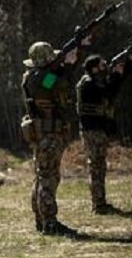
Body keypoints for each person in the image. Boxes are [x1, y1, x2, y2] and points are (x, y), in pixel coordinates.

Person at [20, 39, 88, 237]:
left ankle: (42, 219)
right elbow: (61, 85)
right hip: (48, 134)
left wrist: (72, 59)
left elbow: (58, 80)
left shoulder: (35, 76)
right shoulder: (40, 78)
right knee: (48, 178)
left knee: (43, 176)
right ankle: (49, 221)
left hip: (43, 133)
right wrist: (67, 65)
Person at [76, 52, 132, 214]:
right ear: (94, 69)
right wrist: (117, 74)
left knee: (99, 166)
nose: (106, 67)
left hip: (96, 129)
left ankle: (100, 202)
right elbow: (109, 91)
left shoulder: (95, 82)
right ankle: (99, 204)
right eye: (103, 65)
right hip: (93, 131)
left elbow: (115, 85)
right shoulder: (89, 84)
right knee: (96, 166)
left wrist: (128, 64)